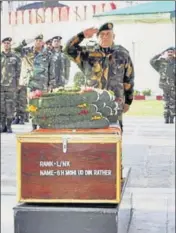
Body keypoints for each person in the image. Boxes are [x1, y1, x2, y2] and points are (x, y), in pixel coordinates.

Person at [64, 23, 135, 131]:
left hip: (115, 102)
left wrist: (128, 101)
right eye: (102, 34)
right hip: (92, 102)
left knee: (114, 135)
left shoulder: (122, 54)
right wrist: (82, 35)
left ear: (114, 36)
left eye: (108, 34)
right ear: (97, 37)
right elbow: (68, 49)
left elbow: (128, 78)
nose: (105, 37)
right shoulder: (87, 53)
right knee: (92, 136)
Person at [14, 34, 53, 130]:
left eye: (40, 41)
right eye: (36, 40)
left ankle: (43, 125)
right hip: (31, 83)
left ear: (43, 42)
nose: (38, 42)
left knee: (43, 105)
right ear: (34, 41)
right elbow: (16, 49)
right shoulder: (27, 51)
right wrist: (29, 40)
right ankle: (34, 125)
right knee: (32, 104)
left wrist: (51, 84)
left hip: (43, 83)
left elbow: (51, 69)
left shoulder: (47, 53)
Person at [1, 37, 21, 133]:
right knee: (1, 107)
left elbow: (18, 72)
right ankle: (2, 125)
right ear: (2, 44)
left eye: (8, 43)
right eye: (5, 43)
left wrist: (17, 84)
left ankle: (9, 126)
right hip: (0, 86)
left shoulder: (15, 57)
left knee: (10, 107)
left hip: (11, 86)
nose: (6, 45)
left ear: (10, 44)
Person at [150, 47, 175, 123]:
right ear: (166, 53)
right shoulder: (161, 62)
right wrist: (160, 54)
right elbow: (151, 61)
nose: (170, 53)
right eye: (168, 52)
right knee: (166, 103)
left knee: (173, 103)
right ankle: (166, 118)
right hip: (164, 86)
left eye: (172, 52)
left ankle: (171, 118)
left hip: (174, 86)